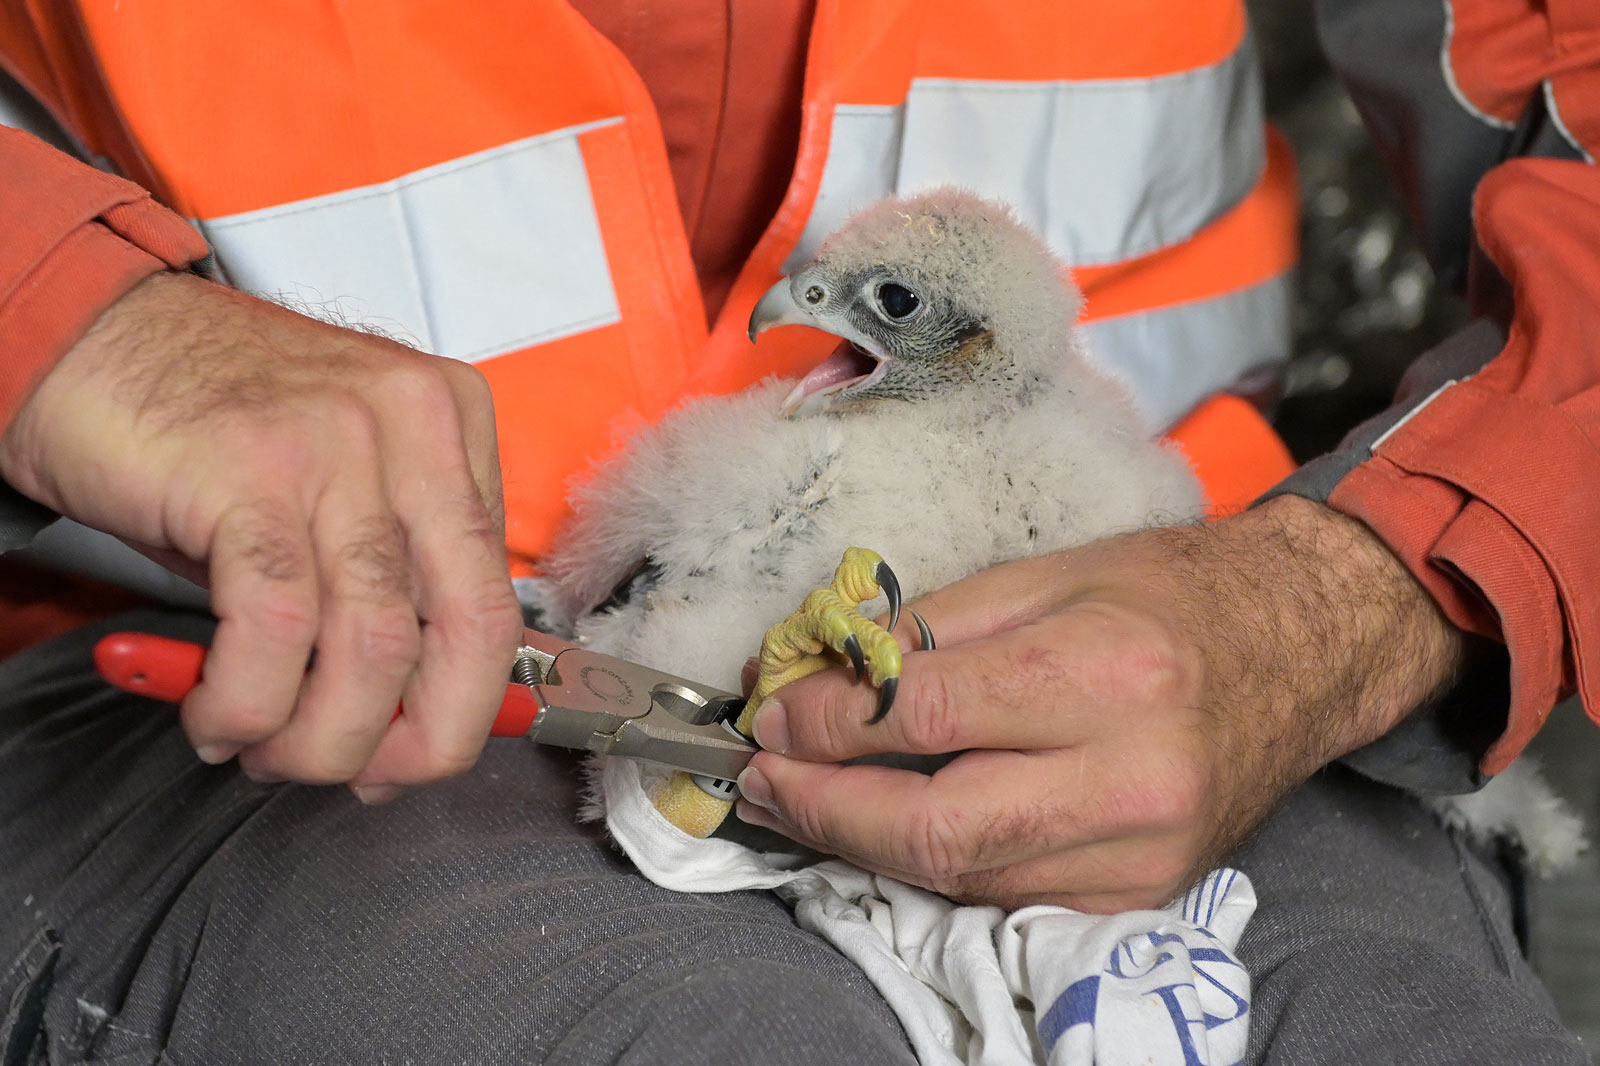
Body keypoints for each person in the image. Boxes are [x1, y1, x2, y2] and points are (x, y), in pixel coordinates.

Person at [0, 1, 1592, 1063]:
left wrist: (1354, 591)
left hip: (1175, 623)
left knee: (1395, 1031)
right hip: (281, 689)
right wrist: (60, 313)